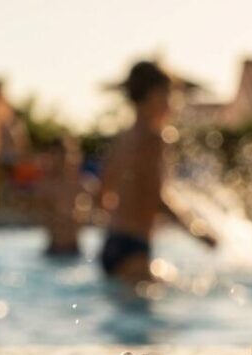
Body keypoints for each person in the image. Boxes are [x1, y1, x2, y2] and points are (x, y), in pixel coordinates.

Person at [98, 61, 214, 285]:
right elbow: (158, 197)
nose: (174, 104)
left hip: (113, 243)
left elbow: (103, 193)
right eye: (170, 95)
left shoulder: (122, 138)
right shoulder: (154, 138)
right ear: (153, 96)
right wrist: (199, 232)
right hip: (135, 249)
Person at [32, 135, 86, 256]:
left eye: (64, 155)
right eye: (56, 155)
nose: (61, 160)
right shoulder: (45, 187)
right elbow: (41, 217)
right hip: (54, 247)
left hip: (74, 247)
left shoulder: (83, 186)